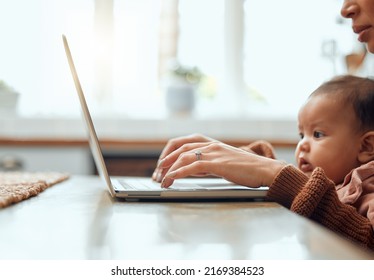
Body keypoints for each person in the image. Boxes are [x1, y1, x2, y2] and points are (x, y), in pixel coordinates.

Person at [151, 0, 374, 251]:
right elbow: (319, 189)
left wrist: (277, 174)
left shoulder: (368, 188)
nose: (302, 146)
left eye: (318, 134)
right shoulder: (340, 179)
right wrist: (247, 160)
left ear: (367, 145)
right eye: (302, 135)